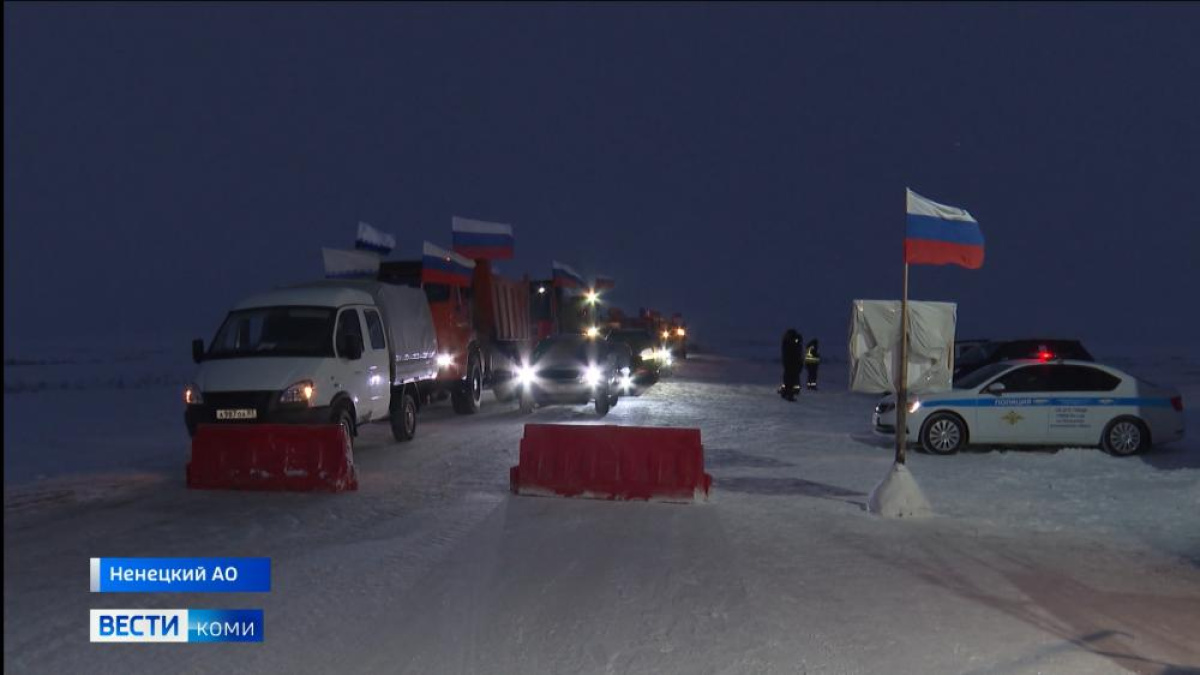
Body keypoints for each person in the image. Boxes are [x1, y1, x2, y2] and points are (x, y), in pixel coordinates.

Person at [779, 328, 803, 401]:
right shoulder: (789, 343)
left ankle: (787, 392)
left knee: (790, 378)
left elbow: (798, 353)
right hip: (791, 363)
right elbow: (794, 353)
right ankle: (788, 394)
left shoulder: (789, 342)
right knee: (790, 379)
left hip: (792, 363)